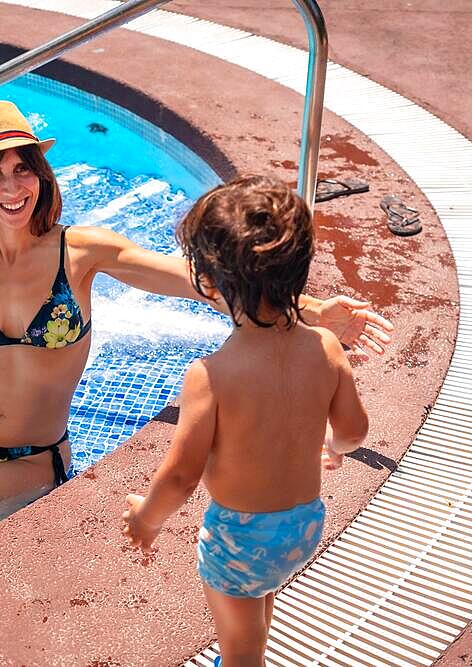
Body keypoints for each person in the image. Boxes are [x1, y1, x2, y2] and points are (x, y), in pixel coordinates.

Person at [0, 100, 389, 560]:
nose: (11, 185)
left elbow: (201, 277)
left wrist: (306, 310)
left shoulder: (79, 252)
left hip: (32, 456)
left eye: (23, 167)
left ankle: (3, 511)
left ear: (40, 174)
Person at [121, 176, 369, 667]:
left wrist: (145, 518)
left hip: (240, 537)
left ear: (209, 283)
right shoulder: (325, 347)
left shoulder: (211, 376)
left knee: (242, 649)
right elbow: (354, 431)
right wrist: (333, 449)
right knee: (259, 599)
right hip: (303, 527)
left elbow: (179, 476)